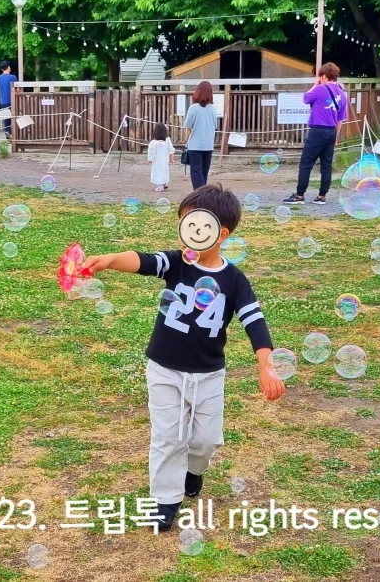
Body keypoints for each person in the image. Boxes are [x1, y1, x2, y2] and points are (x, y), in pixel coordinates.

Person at [83, 185, 285, 531]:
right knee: (168, 436)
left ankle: (194, 471)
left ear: (220, 233)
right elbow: (144, 260)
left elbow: (255, 321)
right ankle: (164, 500)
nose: (187, 233)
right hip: (164, 368)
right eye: (183, 224)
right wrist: (110, 261)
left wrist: (266, 366)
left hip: (208, 374)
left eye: (196, 224)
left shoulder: (235, 281)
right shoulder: (175, 263)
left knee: (205, 440)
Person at [284, 62, 348, 206]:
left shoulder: (319, 89)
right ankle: (322, 196)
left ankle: (300, 195)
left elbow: (305, 98)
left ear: (324, 76)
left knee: (306, 163)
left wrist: (315, 84)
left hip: (317, 131)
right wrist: (336, 136)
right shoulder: (343, 95)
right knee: (326, 165)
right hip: (331, 131)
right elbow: (340, 119)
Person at [183, 81, 217, 189]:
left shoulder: (193, 108)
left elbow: (188, 127)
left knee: (196, 171)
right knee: (204, 172)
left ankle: (199, 195)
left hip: (195, 145)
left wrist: (185, 140)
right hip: (208, 145)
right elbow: (214, 126)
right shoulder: (213, 108)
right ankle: (204, 194)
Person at [148, 123, 176, 192]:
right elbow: (171, 149)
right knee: (164, 171)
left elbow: (150, 151)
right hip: (164, 160)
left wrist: (150, 159)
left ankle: (160, 185)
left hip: (157, 161)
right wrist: (171, 158)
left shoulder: (153, 142)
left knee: (157, 171)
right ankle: (165, 183)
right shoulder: (167, 140)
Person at [0, 61, 17, 139]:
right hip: (12, 100)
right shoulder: (13, 77)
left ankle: (7, 131)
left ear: (1, 69)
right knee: (14, 117)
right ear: (9, 67)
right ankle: (11, 132)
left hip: (2, 100)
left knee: (6, 118)